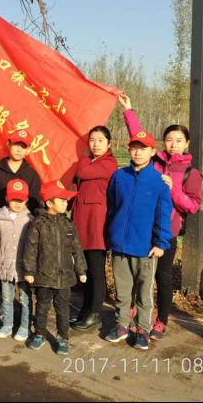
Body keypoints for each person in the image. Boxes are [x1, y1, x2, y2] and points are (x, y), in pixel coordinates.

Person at [119, 94, 203, 340]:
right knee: (138, 274)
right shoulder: (154, 161)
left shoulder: (190, 172)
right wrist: (129, 110)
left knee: (162, 276)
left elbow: (193, 206)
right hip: (142, 229)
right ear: (162, 142)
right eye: (169, 139)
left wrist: (173, 189)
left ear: (187, 143)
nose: (173, 144)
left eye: (179, 140)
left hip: (166, 232)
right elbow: (138, 138)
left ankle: (161, 319)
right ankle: (135, 309)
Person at [104, 129, 172, 351]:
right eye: (134, 148)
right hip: (120, 247)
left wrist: (160, 243)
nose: (138, 152)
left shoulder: (158, 182)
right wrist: (111, 236)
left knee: (144, 293)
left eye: (143, 149)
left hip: (145, 248)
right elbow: (111, 208)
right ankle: (122, 325)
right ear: (129, 150)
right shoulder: (119, 176)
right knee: (122, 291)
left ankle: (142, 329)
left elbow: (163, 215)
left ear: (152, 151)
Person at [23, 181, 87, 355]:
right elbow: (30, 248)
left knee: (63, 309)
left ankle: (63, 338)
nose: (66, 203)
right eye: (62, 200)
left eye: (67, 200)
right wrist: (29, 271)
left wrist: (81, 270)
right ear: (50, 203)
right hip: (43, 275)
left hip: (65, 276)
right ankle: (39, 334)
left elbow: (76, 248)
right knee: (42, 307)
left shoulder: (68, 224)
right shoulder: (38, 223)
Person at [71, 126, 118, 331]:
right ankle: (86, 309)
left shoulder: (108, 163)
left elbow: (81, 171)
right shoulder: (91, 162)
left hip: (96, 226)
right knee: (86, 270)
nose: (95, 144)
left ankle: (95, 312)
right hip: (83, 223)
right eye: (92, 140)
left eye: (100, 140)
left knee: (96, 271)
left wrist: (83, 156)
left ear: (109, 143)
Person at [0, 179, 33, 341]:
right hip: (5, 265)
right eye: (14, 199)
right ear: (7, 198)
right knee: (6, 298)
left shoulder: (29, 219)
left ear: (26, 200)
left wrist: (32, 267)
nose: (17, 203)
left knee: (25, 298)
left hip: (23, 267)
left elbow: (33, 245)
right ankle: (7, 324)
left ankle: (25, 326)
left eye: (21, 200)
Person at [0, 129, 42, 216]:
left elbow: (34, 202)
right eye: (16, 145)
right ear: (8, 145)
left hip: (24, 221)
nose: (19, 150)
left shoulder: (32, 174)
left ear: (28, 149)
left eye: (23, 147)